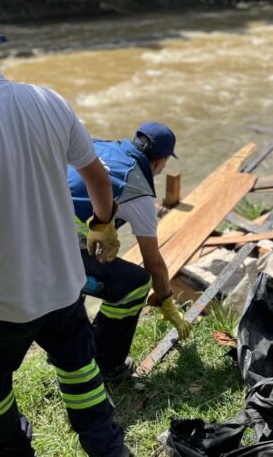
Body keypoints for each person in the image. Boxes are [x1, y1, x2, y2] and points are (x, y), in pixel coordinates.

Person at [0, 7, 128, 456]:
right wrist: (104, 225)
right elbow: (98, 177)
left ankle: (11, 449)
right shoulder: (48, 99)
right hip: (63, 288)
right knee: (79, 372)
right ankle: (107, 447)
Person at [68, 122, 192, 382]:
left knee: (93, 265)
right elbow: (153, 262)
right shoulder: (138, 191)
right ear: (159, 162)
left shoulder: (99, 145)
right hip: (54, 256)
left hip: (25, 236)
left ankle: (70, 345)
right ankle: (106, 364)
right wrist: (167, 302)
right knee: (135, 284)